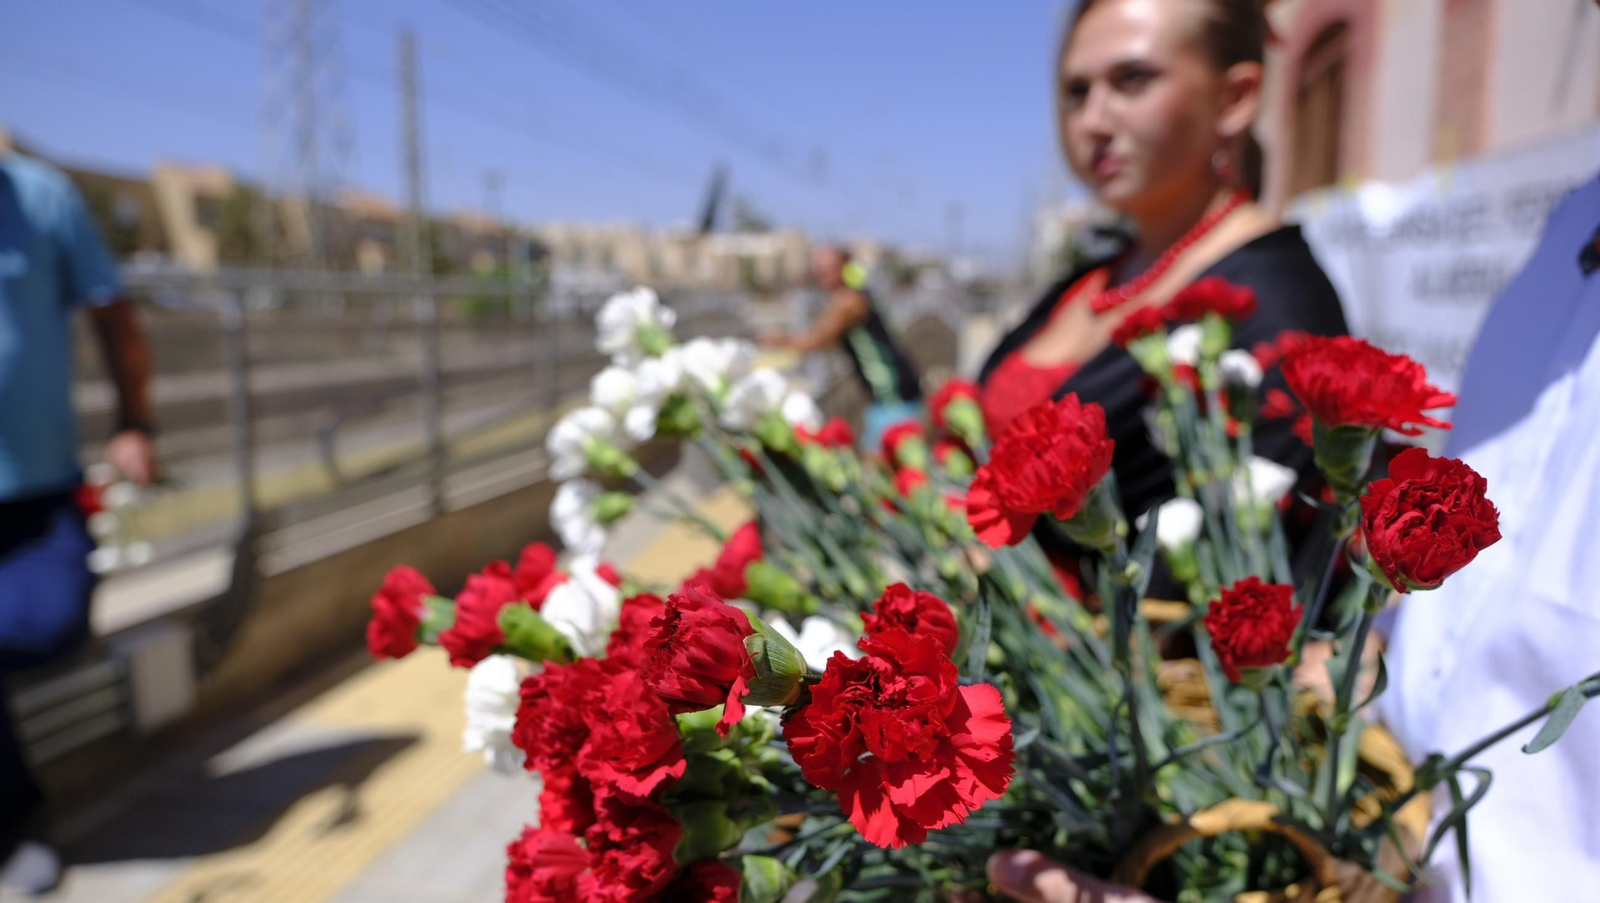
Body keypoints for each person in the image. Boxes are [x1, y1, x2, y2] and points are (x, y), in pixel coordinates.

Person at [977, 0, 1346, 530]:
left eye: (1132, 80)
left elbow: (1259, 555)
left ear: (1235, 98)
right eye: (1076, 91)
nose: (1091, 121)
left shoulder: (1279, 302)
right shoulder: (1094, 276)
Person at [0, 148, 157, 895]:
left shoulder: (40, 200)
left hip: (37, 494)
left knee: (49, 622)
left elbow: (113, 312)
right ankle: (15, 828)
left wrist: (134, 420)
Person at [764, 245, 923, 450]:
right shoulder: (853, 295)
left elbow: (817, 341)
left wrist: (776, 342)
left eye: (827, 268)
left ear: (844, 268)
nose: (821, 274)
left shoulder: (848, 300)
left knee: (883, 462)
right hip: (891, 394)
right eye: (818, 269)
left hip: (892, 395)